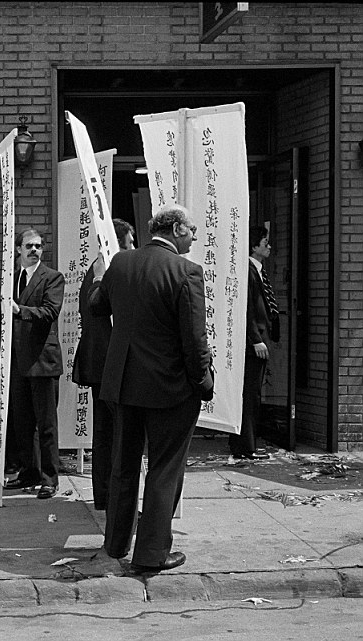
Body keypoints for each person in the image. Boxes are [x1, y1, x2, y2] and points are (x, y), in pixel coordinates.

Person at [89, 204, 213, 573]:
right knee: (164, 470)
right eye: (191, 229)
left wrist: (101, 282)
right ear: (175, 229)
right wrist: (203, 381)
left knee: (123, 465)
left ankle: (115, 544)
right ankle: (151, 554)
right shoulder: (187, 271)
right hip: (168, 387)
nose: (194, 235)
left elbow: (97, 308)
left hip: (123, 384)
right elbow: (194, 338)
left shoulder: (121, 264)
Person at [72, 219, 135, 511]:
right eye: (130, 241)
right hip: (111, 364)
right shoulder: (108, 273)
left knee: (105, 434)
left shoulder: (97, 271)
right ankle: (112, 499)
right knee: (116, 436)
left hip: (99, 363)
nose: (134, 247)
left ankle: (104, 496)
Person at [5, 229, 65, 500]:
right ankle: (29, 472)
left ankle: (49, 478)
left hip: (42, 361)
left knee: (46, 424)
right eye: (29, 246)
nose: (34, 250)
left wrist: (20, 311)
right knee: (22, 423)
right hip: (17, 362)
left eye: (38, 246)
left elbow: (50, 312)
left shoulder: (52, 278)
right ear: (18, 249)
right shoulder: (11, 279)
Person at [230, 226, 277, 460]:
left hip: (259, 338)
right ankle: (245, 447)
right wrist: (256, 339)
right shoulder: (248, 271)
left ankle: (245, 445)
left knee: (252, 393)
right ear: (254, 246)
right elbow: (246, 308)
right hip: (252, 343)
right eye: (265, 242)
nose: (269, 246)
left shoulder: (258, 270)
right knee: (250, 394)